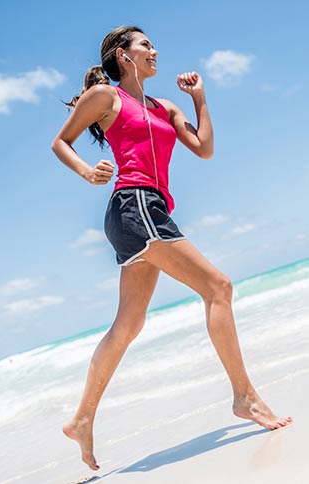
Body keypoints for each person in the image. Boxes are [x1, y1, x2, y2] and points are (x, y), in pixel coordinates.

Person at [51, 25, 292, 471]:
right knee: (218, 286)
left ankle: (82, 419)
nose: (154, 49)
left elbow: (203, 149)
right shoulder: (106, 97)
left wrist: (200, 99)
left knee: (129, 323)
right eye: (145, 45)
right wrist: (88, 172)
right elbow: (60, 141)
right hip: (134, 204)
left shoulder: (165, 106)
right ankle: (245, 397)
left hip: (151, 208)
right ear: (124, 56)